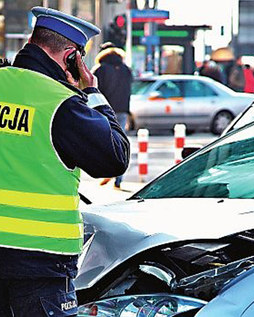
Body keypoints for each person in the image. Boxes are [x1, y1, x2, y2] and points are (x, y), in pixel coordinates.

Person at [0, 7, 130, 317]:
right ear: (72, 56)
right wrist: (93, 92)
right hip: (40, 266)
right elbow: (115, 158)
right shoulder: (61, 104)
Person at [92, 42, 133, 189]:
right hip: (122, 110)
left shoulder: (100, 69)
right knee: (120, 142)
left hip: (103, 110)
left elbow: (91, 89)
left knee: (101, 142)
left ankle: (106, 170)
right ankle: (118, 179)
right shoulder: (126, 70)